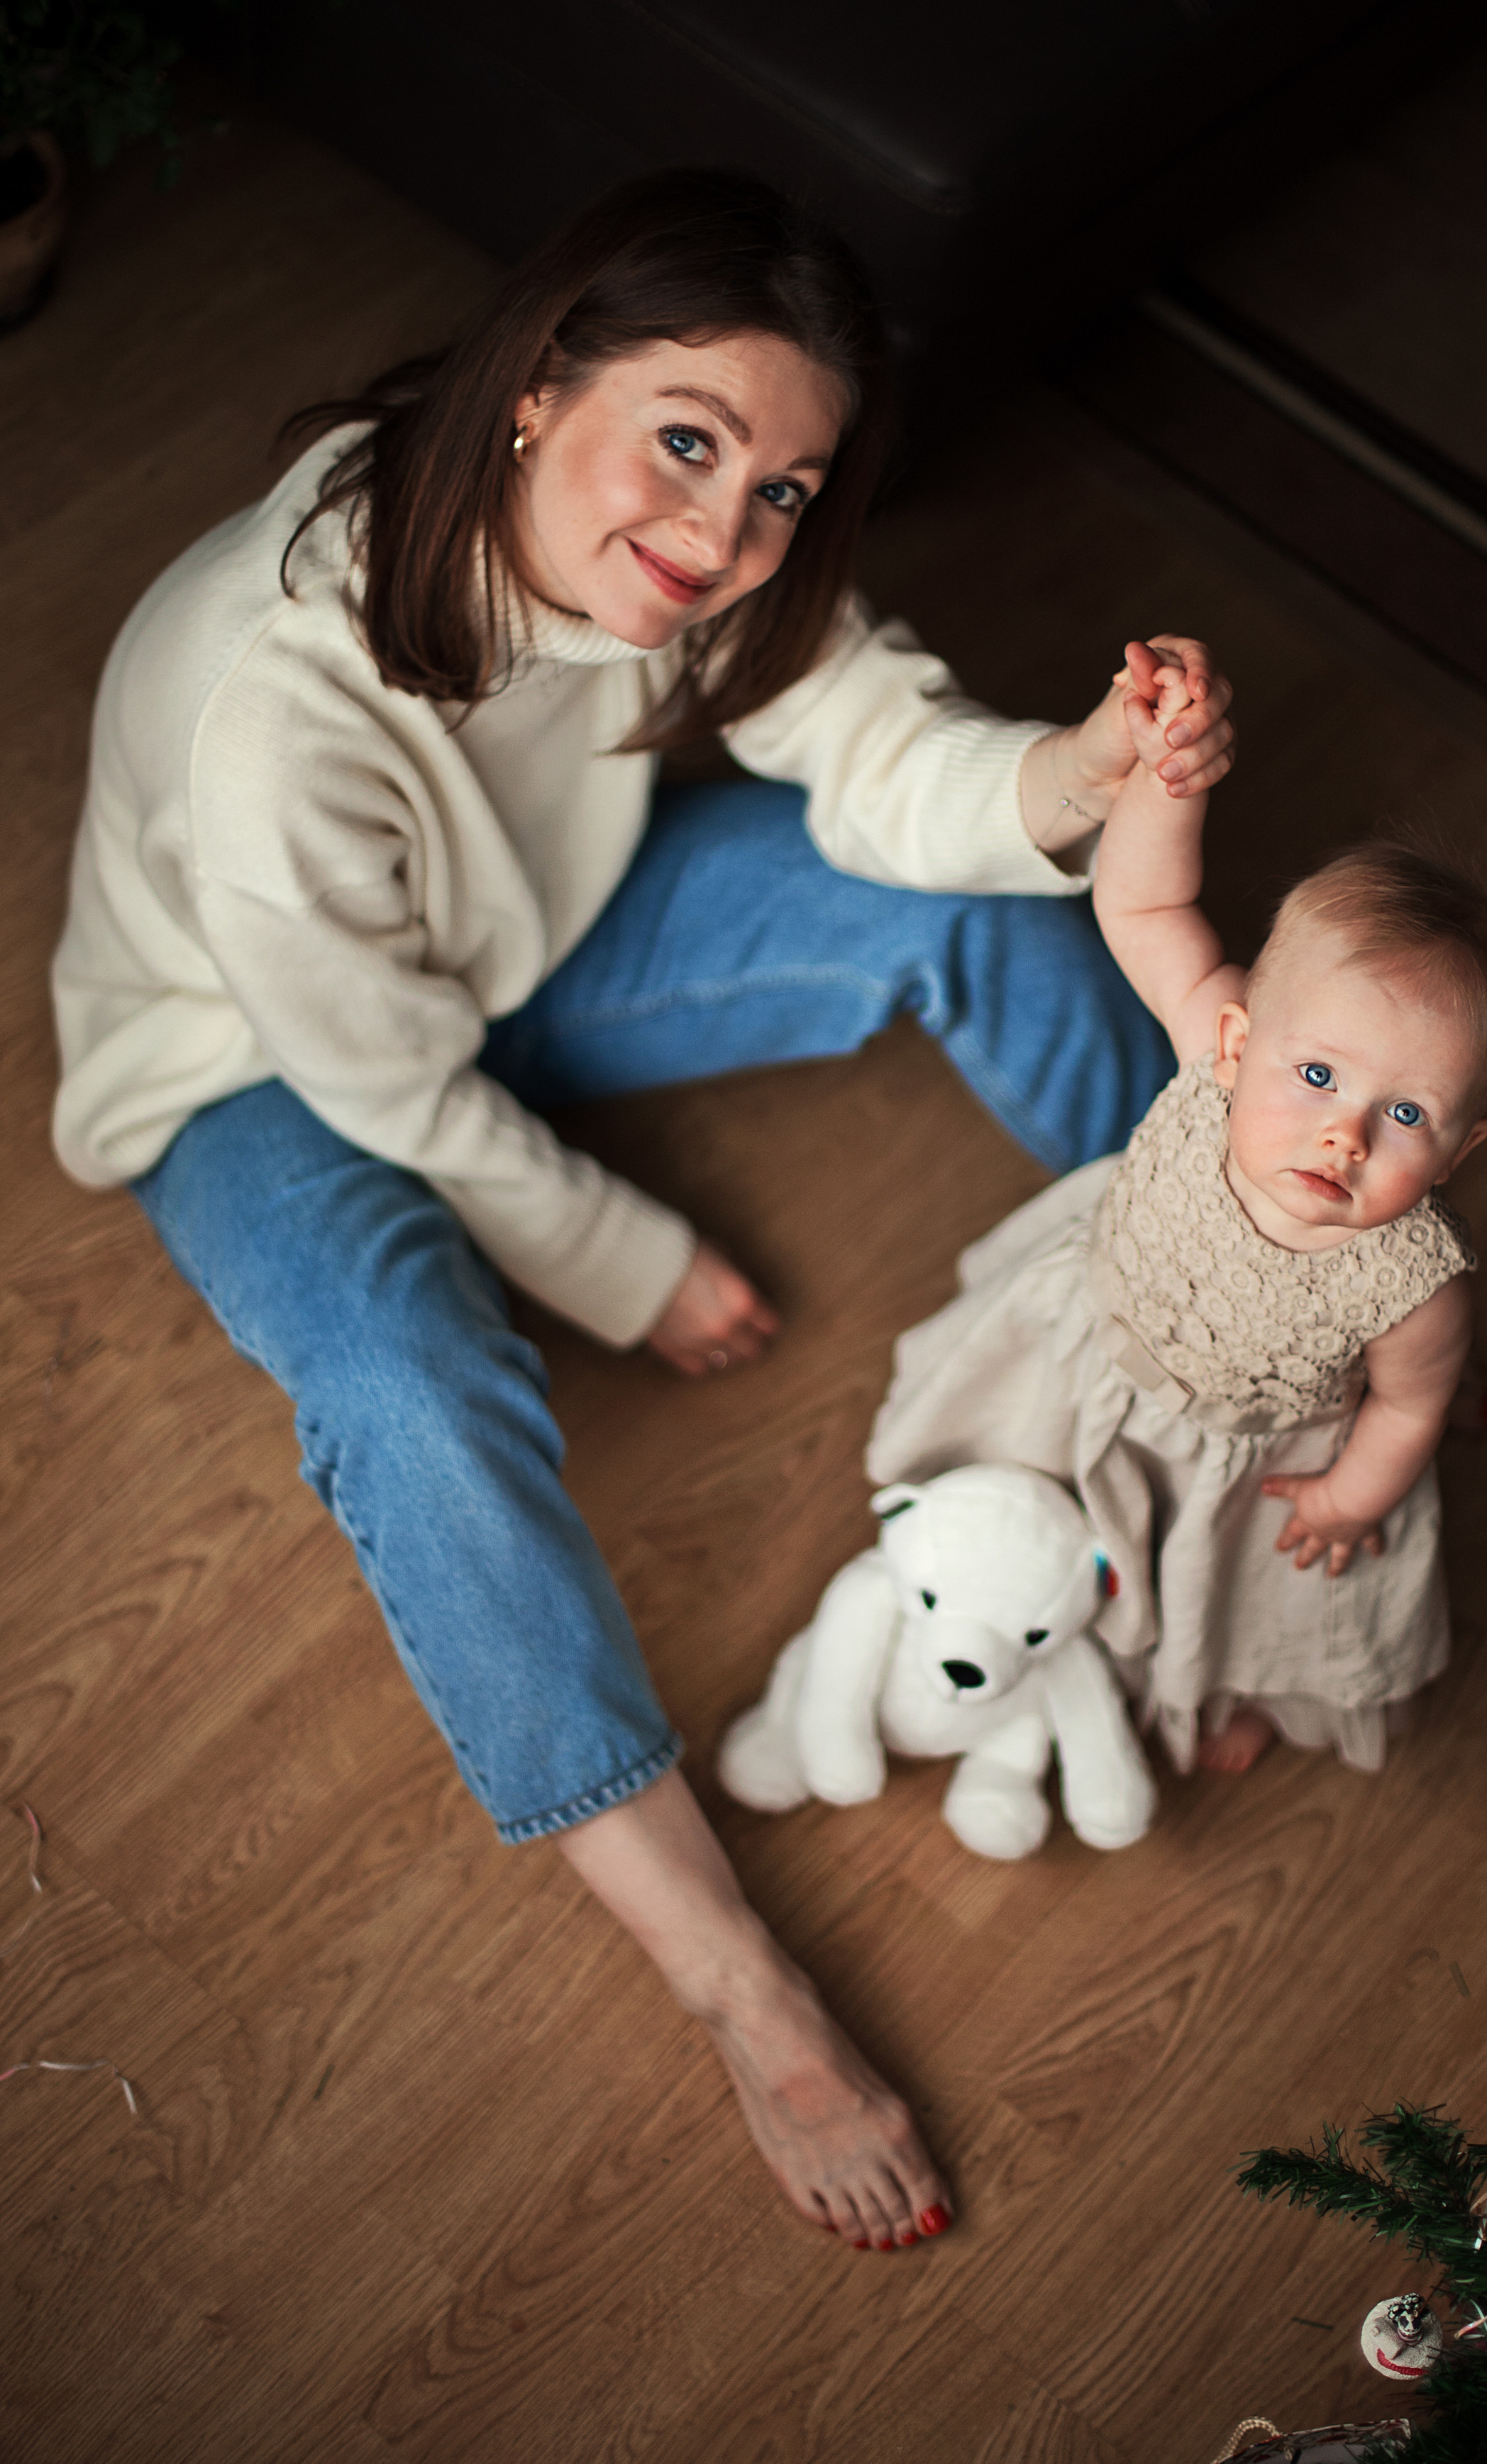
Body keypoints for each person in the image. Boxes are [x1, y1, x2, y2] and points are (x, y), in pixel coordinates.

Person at [48, 172, 1234, 2253]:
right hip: (251, 1068)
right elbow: (382, 1082)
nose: (724, 531)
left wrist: (1077, 777)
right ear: (538, 382)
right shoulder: (267, 698)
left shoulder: (685, 570)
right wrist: (619, 1250)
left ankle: (1248, 1309)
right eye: (687, 437)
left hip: (519, 954)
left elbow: (871, 743)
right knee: (409, 1383)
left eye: (784, 488)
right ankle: (732, 1977)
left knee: (968, 897)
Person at [868, 662, 1487, 1782]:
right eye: (1319, 1072)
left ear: (1459, 1152)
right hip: (1094, 1339)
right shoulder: (1210, 1051)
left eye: (1406, 1113)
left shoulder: (1414, 1281)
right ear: (1240, 1043)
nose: (1346, 1137)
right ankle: (1003, 1558)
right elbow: (1141, 904)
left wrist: (1350, 1497)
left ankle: (1220, 1685)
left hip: (1241, 1463)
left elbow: (1409, 1402)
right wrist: (1168, 782)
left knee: (1231, 1588)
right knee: (1025, 1464)